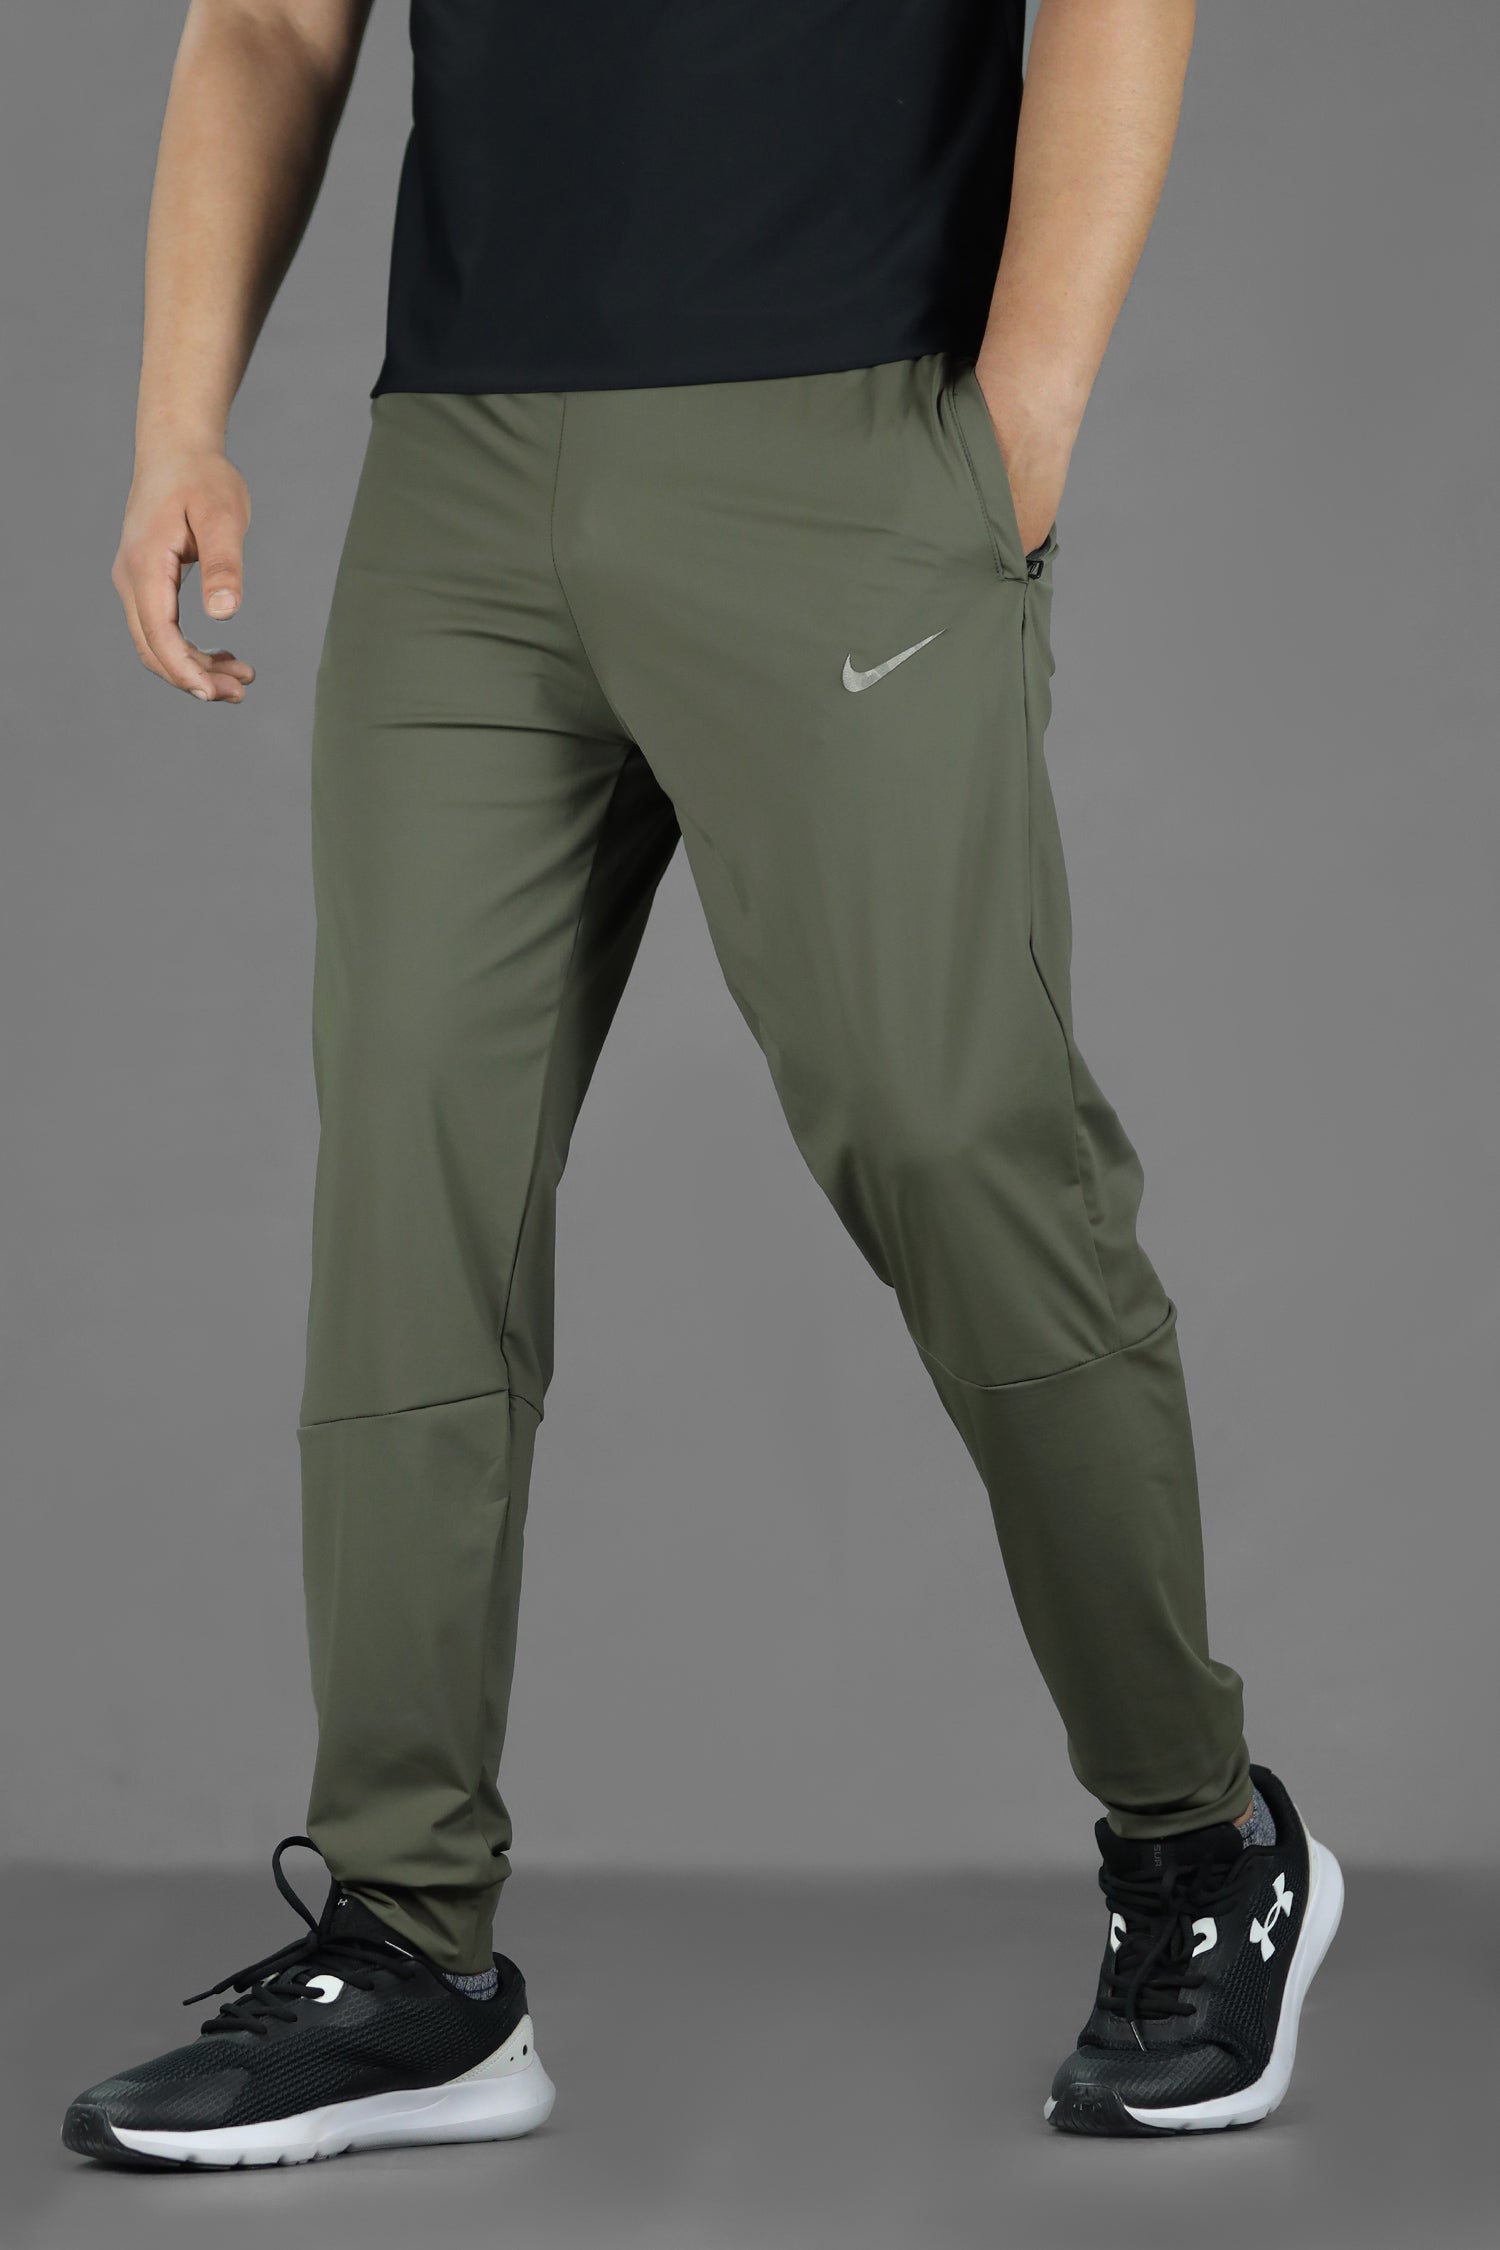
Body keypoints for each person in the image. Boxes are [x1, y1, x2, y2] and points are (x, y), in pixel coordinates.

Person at [64, 0, 1342, 2169]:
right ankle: (411, 1946)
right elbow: (271, 18)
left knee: (954, 1139)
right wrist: (178, 413)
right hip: (463, 475)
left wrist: (1021, 413)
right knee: (410, 1187)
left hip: (845, 431)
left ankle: (1204, 1847)